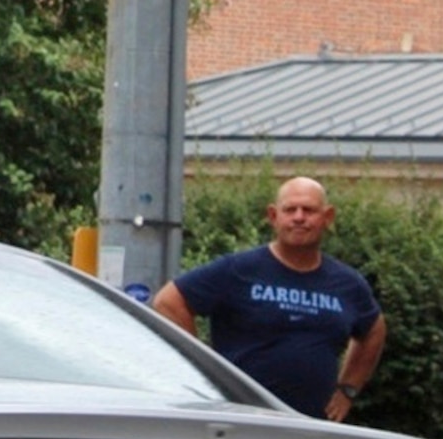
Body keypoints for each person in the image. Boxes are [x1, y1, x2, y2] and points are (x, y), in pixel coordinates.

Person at [155, 178, 388, 421]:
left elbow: (374, 330)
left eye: (308, 210)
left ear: (327, 217)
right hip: (241, 422)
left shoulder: (347, 283)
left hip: (314, 426)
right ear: (273, 216)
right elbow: (169, 302)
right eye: (290, 210)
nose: (299, 217)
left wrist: (348, 390)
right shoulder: (238, 270)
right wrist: (206, 372)